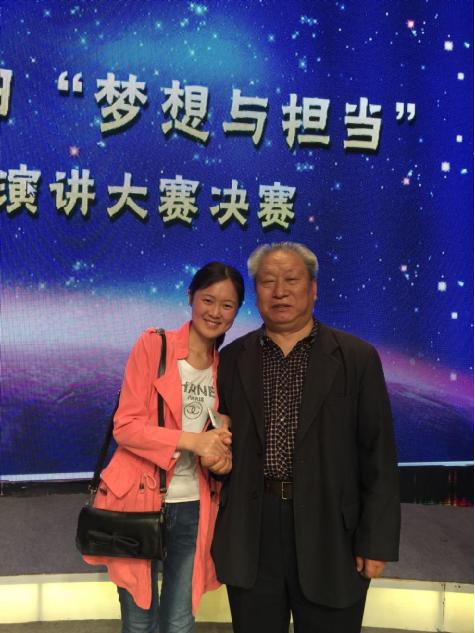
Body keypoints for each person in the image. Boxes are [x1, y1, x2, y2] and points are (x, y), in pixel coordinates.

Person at [208, 242, 400, 633]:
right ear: (256, 292)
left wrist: (375, 542)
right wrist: (216, 458)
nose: (280, 291)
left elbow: (378, 455)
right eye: (268, 281)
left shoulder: (356, 357)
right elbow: (219, 436)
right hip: (253, 530)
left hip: (332, 532)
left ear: (313, 288)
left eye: (291, 280)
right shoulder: (230, 359)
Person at [83, 261, 244, 633]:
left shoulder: (227, 367)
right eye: (208, 300)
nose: (215, 312)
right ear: (190, 298)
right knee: (139, 620)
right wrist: (192, 440)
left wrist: (221, 459)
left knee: (180, 620)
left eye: (227, 305)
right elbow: (126, 427)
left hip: (195, 504)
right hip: (137, 499)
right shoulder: (154, 345)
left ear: (236, 312)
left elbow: (220, 436)